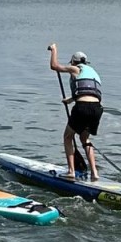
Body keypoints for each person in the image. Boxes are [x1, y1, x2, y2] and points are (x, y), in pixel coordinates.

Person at [49, 43, 102, 180]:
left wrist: (54, 49)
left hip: (82, 108)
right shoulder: (93, 72)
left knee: (67, 137)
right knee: (85, 138)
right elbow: (89, 92)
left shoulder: (75, 68)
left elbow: (54, 66)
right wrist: (71, 100)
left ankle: (71, 171)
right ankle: (95, 173)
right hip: (97, 109)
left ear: (74, 62)